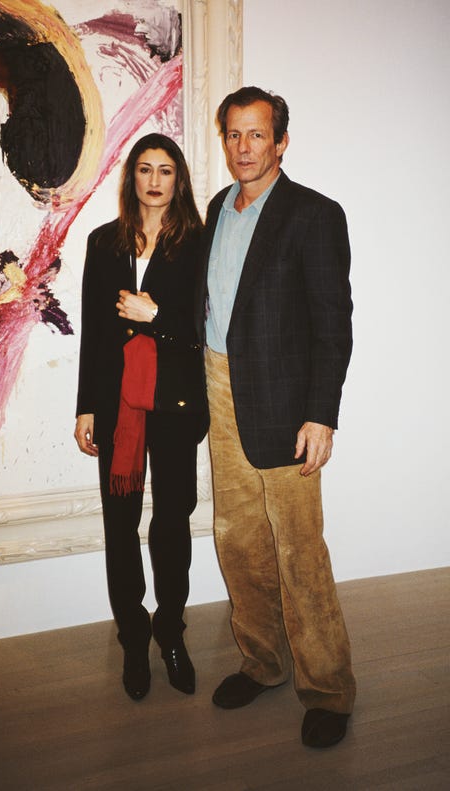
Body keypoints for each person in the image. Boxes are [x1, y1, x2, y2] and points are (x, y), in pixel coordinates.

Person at [196, 87, 356, 748]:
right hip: (218, 384)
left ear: (281, 141)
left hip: (287, 401)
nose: (243, 147)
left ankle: (327, 688)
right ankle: (262, 661)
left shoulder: (315, 214)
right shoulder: (216, 209)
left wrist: (321, 414)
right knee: (237, 536)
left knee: (298, 546)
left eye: (257, 134)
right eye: (234, 133)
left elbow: (333, 322)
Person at [75, 133, 207, 701]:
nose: (155, 181)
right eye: (145, 170)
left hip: (175, 403)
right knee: (120, 525)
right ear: (132, 178)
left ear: (179, 181)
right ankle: (133, 638)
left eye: (166, 171)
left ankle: (170, 633)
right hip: (116, 406)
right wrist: (84, 405)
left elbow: (206, 328)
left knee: (172, 523)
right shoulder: (103, 242)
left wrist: (157, 316)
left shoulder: (200, 243)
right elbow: (95, 333)